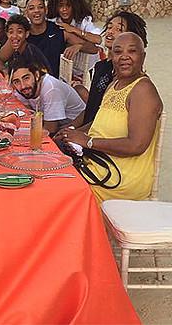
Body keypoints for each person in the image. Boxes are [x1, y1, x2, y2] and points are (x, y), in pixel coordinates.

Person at [55, 33, 163, 203]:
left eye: (132, 51)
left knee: (57, 189)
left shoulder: (143, 90)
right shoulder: (114, 84)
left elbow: (137, 145)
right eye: (118, 52)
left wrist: (89, 141)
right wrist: (71, 132)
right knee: (49, 166)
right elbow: (98, 122)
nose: (124, 56)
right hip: (97, 162)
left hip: (119, 176)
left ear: (143, 57)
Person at [82, 11, 148, 125]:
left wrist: (81, 133)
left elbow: (107, 118)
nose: (110, 32)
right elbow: (91, 106)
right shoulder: (100, 66)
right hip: (89, 128)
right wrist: (71, 127)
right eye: (109, 27)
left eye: (119, 29)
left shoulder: (125, 75)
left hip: (99, 131)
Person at [20, 0, 99, 77]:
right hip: (28, 81)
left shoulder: (59, 30)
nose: (36, 10)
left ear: (46, 10)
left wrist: (79, 46)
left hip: (54, 81)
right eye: (31, 8)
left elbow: (94, 49)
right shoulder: (22, 34)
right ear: (26, 13)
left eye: (40, 7)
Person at [9, 53, 85, 135]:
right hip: (48, 122)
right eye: (16, 81)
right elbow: (27, 112)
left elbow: (50, 130)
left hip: (74, 127)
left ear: (37, 75)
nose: (23, 86)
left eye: (26, 78)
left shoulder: (51, 90)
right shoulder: (23, 88)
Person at [0, 14, 50, 79]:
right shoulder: (14, 47)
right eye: (11, 32)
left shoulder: (31, 53)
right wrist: (6, 71)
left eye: (19, 32)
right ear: (7, 34)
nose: (14, 36)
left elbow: (42, 79)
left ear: (27, 34)